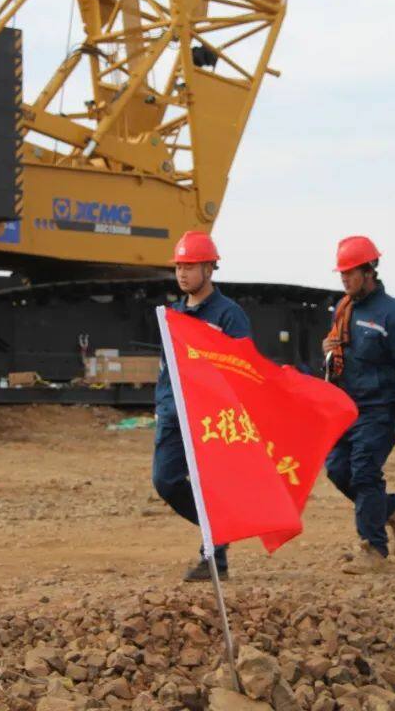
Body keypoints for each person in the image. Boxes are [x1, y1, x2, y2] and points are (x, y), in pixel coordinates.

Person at [153, 230, 252, 581]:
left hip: (212, 416)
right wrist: (162, 406)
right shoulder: (173, 316)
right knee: (165, 481)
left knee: (211, 483)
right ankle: (221, 526)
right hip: (175, 414)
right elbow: (166, 368)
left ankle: (214, 558)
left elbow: (243, 369)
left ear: (209, 269)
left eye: (190, 267)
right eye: (179, 267)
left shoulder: (229, 315)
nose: (182, 273)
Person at [322, 235, 395, 574]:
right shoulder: (343, 309)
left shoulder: (393, 315)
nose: (345, 279)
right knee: (338, 469)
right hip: (347, 409)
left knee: (364, 472)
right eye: (342, 273)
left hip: (380, 411)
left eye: (350, 273)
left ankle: (374, 549)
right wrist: (327, 350)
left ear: (369, 271)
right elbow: (337, 355)